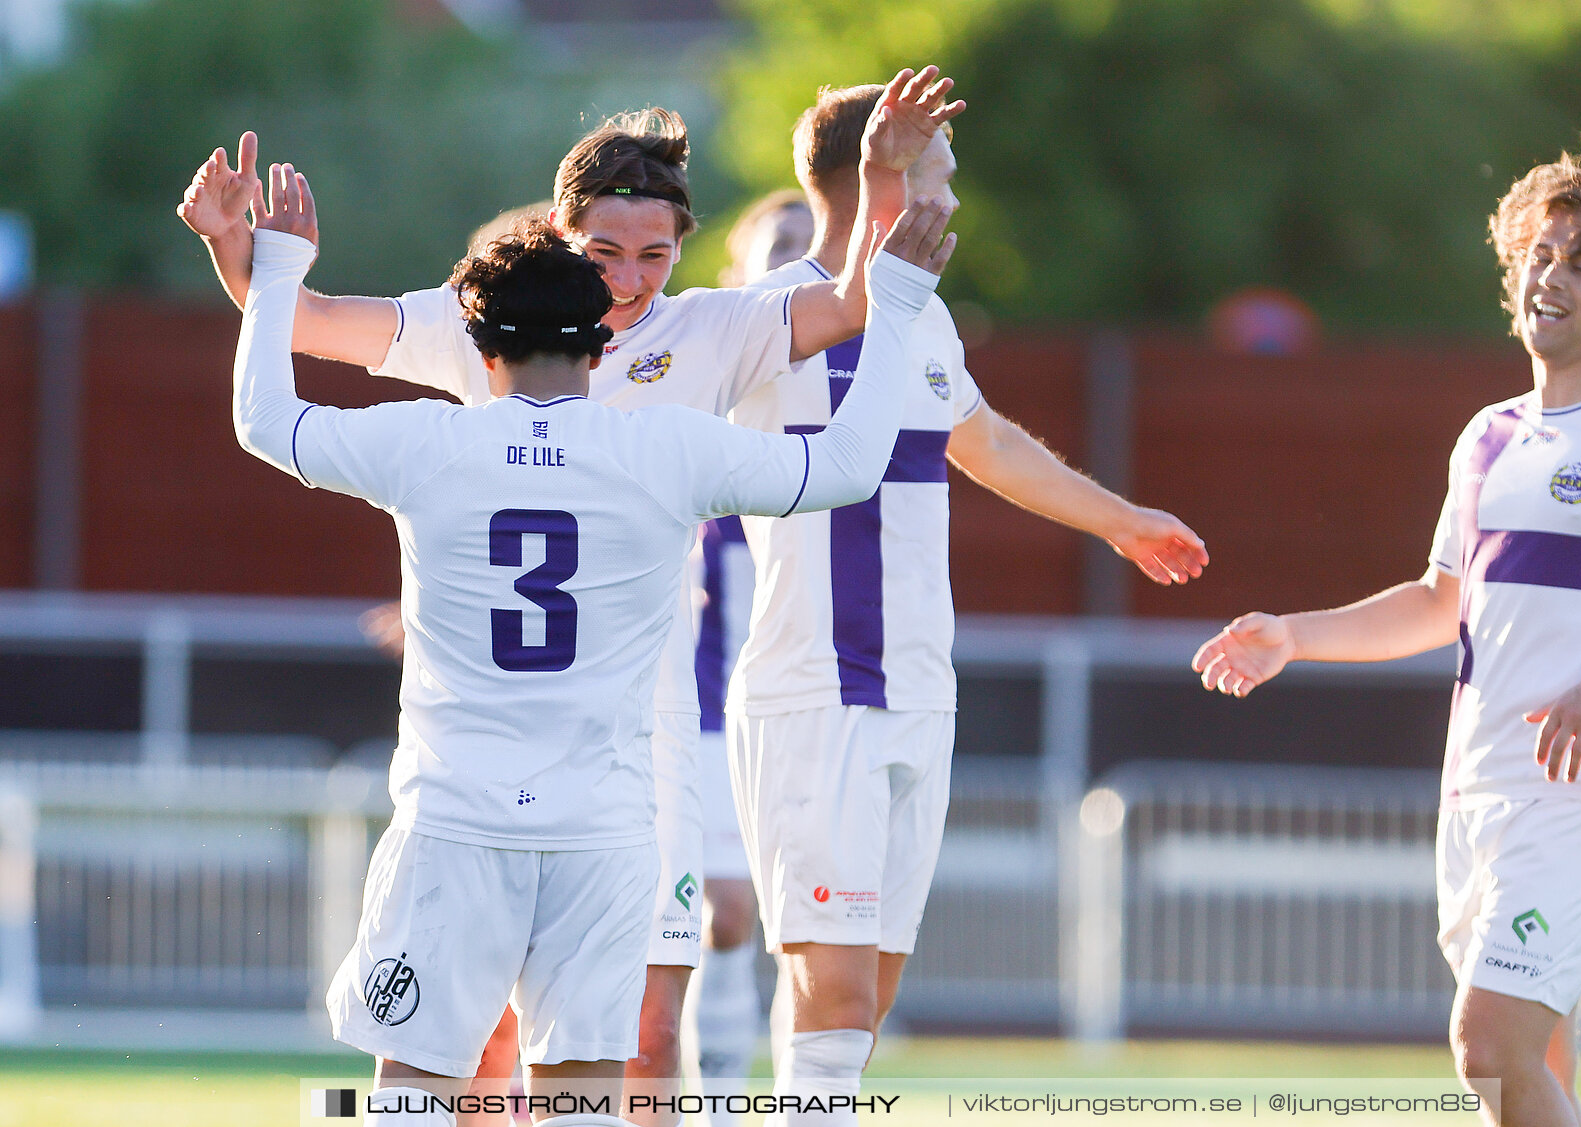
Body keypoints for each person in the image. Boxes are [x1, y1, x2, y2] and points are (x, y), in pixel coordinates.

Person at [176, 70, 961, 1126]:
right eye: (604, 254)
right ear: (557, 238)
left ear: (683, 247)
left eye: (655, 254)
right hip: (527, 767)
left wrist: (262, 264)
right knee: (526, 1051)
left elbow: (280, 366)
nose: (631, 281)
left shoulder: (703, 335)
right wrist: (254, 265)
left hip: (637, 744)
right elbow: (868, 349)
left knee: (636, 1038)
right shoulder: (555, 378)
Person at [1191, 130, 1581, 1127]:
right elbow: (1435, 601)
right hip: (1480, 792)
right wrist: (1294, 633)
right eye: (1540, 255)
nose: (1550, 277)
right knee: (1538, 1064)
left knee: (1487, 1044)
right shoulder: (1489, 434)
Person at [724, 83, 1211, 1119]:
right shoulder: (773, 320)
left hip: (916, 697)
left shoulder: (924, 319)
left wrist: (1120, 518)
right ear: (885, 178)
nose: (956, 196)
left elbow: (983, 442)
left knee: (864, 998)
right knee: (837, 989)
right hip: (818, 698)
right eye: (937, 171)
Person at [681, 190, 818, 1127]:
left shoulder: (845, 411)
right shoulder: (692, 403)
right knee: (722, 912)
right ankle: (714, 1100)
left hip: (804, 702)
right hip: (696, 708)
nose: (797, 266)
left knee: (800, 932)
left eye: (813, 248)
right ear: (735, 279)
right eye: (778, 249)